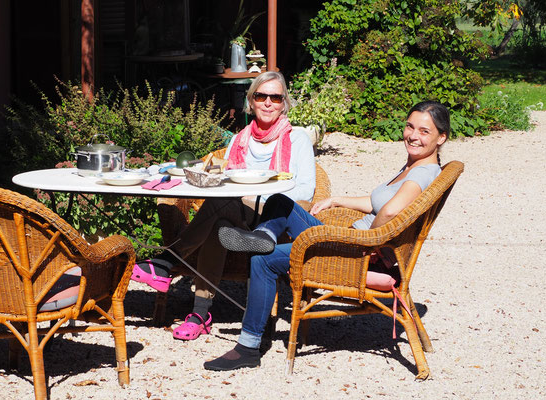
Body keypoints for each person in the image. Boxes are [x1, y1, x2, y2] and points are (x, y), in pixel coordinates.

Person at [204, 100, 450, 371]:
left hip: (354, 251)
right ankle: (264, 236)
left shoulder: (423, 172)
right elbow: (379, 203)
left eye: (424, 131)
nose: (413, 136)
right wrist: (336, 200)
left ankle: (248, 348)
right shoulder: (416, 167)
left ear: (441, 137)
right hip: (351, 240)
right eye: (410, 127)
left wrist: (371, 241)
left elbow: (390, 213)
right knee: (279, 202)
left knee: (263, 261)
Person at [130, 71, 316, 340]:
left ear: (284, 103)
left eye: (275, 97)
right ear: (250, 101)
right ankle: (199, 311)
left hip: (275, 217)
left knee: (223, 208)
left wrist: (257, 197)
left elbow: (305, 190)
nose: (267, 103)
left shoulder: (296, 138)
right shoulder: (240, 139)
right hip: (238, 215)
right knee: (220, 221)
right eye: (261, 96)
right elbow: (220, 177)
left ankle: (169, 264)